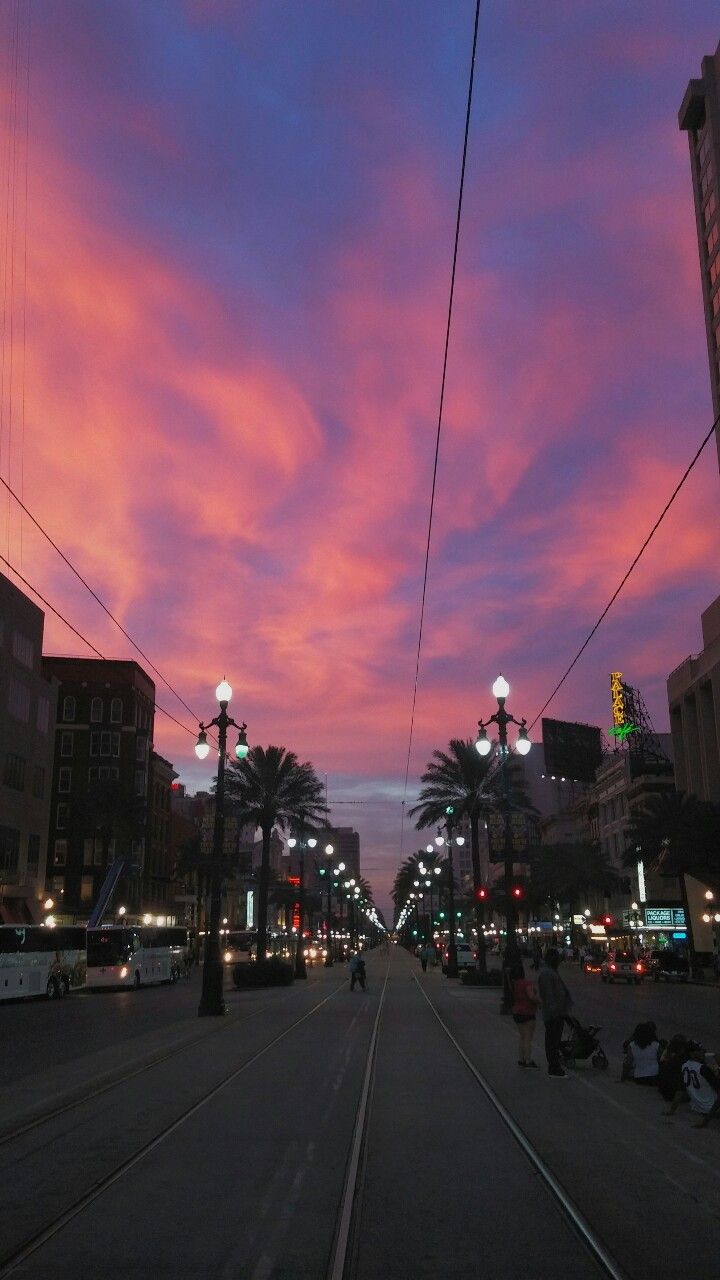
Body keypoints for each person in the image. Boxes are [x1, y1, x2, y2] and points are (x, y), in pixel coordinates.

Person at [665, 1042, 720, 1127]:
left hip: (698, 1106)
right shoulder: (703, 1069)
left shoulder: (684, 1066)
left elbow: (680, 1091)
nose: (703, 1052)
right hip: (710, 1108)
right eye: (700, 1050)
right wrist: (704, 1123)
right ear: (692, 1054)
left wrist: (672, 1110)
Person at [537, 948, 573, 1077]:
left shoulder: (551, 972)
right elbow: (550, 996)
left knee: (554, 1040)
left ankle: (554, 1064)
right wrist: (556, 1013)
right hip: (553, 1014)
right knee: (552, 1041)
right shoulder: (548, 974)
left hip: (556, 1013)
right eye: (557, 958)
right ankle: (553, 1067)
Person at [510, 958, 539, 1068]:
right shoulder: (527, 984)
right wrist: (540, 1001)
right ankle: (528, 1060)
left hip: (517, 1012)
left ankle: (521, 1059)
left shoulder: (516, 984)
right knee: (528, 1037)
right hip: (528, 1012)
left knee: (522, 1036)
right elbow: (531, 996)